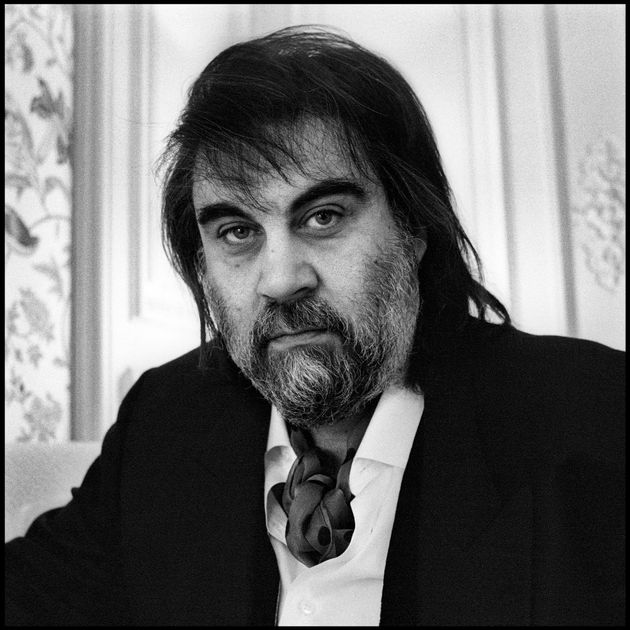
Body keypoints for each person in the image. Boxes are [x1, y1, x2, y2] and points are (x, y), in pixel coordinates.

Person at [5, 25, 624, 626]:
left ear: (413, 227)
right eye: (238, 232)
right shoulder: (166, 422)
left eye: (323, 217)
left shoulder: (594, 416)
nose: (279, 279)